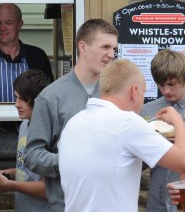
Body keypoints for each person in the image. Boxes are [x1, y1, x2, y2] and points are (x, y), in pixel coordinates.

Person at [58, 59, 185, 212]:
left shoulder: (74, 123)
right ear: (134, 91)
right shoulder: (127, 123)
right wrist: (177, 121)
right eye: (143, 93)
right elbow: (182, 162)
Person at [24, 18, 119, 212]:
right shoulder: (50, 97)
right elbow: (32, 156)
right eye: (105, 47)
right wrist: (72, 161)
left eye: (114, 49)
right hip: (67, 205)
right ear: (83, 47)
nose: (111, 55)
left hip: (110, 203)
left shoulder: (116, 92)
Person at [0, 69, 51, 212]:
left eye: (23, 99)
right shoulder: (25, 125)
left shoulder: (52, 133)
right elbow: (28, 172)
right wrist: (6, 173)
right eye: (16, 97)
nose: (16, 104)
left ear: (39, 100)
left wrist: (10, 185)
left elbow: (48, 188)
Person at [0, 3, 53, 102]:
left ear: (20, 25)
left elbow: (49, 95)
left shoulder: (38, 56)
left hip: (31, 118)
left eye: (8, 23)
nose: (2, 28)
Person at [139, 49, 185, 212]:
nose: (166, 91)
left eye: (172, 84)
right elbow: (139, 163)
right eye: (161, 85)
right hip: (157, 201)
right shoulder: (147, 111)